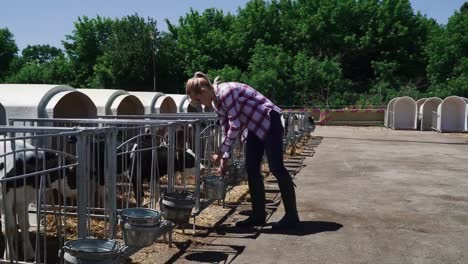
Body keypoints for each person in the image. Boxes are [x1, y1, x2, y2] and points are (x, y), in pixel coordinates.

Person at [186, 72, 299, 229]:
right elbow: (226, 129)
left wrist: (221, 151)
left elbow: (236, 125)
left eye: (198, 100)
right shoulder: (217, 103)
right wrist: (223, 160)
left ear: (204, 91)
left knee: (276, 167)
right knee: (251, 167)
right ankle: (258, 215)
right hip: (255, 127)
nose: (202, 105)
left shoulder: (227, 92)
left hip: (269, 121)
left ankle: (292, 215)